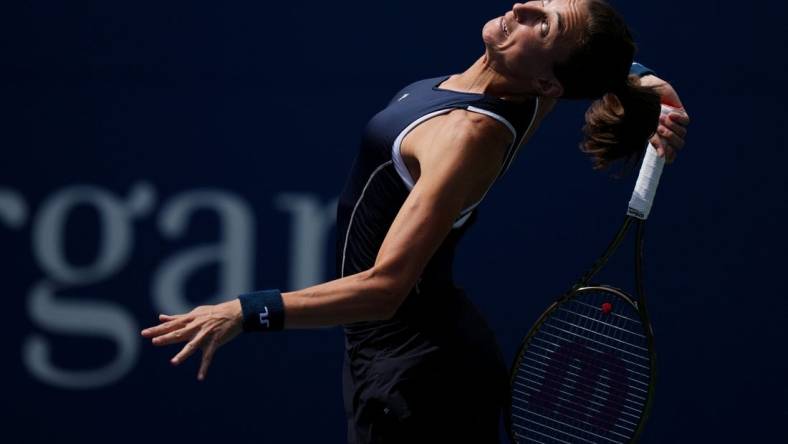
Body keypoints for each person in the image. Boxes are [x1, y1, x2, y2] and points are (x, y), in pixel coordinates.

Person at [141, 0, 690, 442]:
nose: (522, 7)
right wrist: (653, 86)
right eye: (539, 2)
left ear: (549, 85)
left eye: (540, 25)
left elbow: (385, 289)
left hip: (421, 377)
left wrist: (246, 310)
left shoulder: (467, 136)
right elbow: (606, 72)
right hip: (396, 358)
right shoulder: (507, 84)